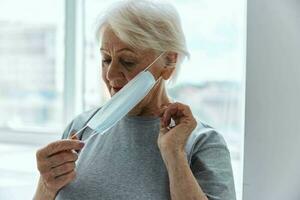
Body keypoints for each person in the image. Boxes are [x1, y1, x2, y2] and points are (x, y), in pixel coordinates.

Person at [34, 0, 236, 199]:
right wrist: (46, 185)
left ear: (168, 62)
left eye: (127, 61)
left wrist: (174, 155)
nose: (111, 75)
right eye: (106, 59)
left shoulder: (203, 142)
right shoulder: (80, 128)